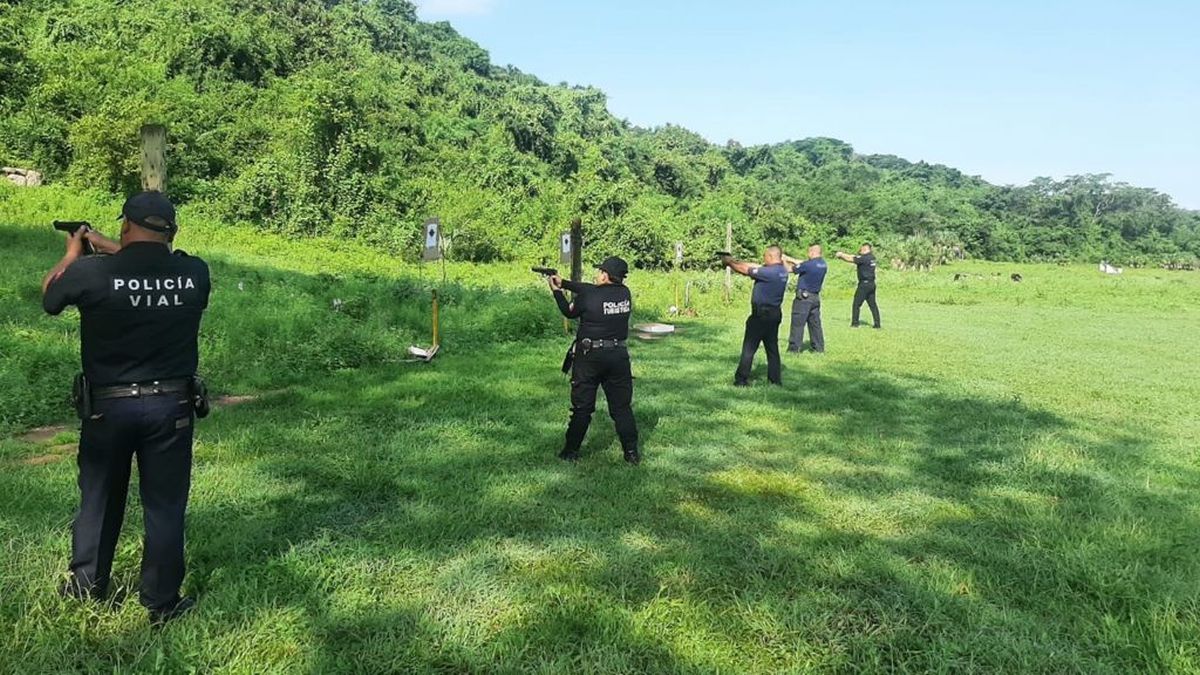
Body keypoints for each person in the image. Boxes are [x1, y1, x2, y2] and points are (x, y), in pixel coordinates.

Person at [41, 191, 211, 625]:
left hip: (108, 409)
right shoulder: (194, 273)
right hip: (171, 407)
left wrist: (74, 251)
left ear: (124, 226)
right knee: (165, 505)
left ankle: (86, 588)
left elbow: (51, 296)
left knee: (99, 499)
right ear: (171, 231)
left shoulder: (91, 273)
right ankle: (161, 602)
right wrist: (109, 247)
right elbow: (150, 270)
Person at [548, 257, 640, 465]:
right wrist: (564, 283)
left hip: (589, 357)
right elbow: (592, 290)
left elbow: (568, 312)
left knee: (582, 408)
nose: (597, 275)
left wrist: (556, 291)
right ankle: (631, 453)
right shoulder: (625, 293)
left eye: (600, 272)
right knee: (621, 408)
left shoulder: (590, 295)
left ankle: (570, 452)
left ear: (605, 275)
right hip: (618, 356)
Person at [721, 246, 790, 386]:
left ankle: (741, 380)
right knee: (772, 349)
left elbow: (745, 270)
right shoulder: (782, 270)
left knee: (749, 348)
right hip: (774, 314)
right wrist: (735, 260)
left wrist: (730, 263)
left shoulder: (768, 273)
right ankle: (775, 380)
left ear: (770, 256)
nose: (763, 259)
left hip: (760, 315)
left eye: (765, 256)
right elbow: (756, 266)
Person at [781, 244, 827, 353]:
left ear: (812, 252)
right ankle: (819, 348)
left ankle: (794, 349)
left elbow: (788, 269)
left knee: (798, 323)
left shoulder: (808, 265)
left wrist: (784, 260)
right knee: (815, 324)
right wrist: (789, 258)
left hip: (804, 298)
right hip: (815, 298)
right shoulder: (822, 264)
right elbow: (802, 263)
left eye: (808, 252)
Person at [836, 243, 881, 329]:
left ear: (865, 249)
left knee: (856, 304)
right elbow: (854, 256)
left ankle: (855, 323)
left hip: (864, 285)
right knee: (873, 305)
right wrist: (843, 255)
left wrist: (841, 255)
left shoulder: (863, 258)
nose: (860, 251)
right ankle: (877, 324)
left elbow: (851, 259)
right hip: (872, 284)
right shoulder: (872, 257)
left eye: (861, 249)